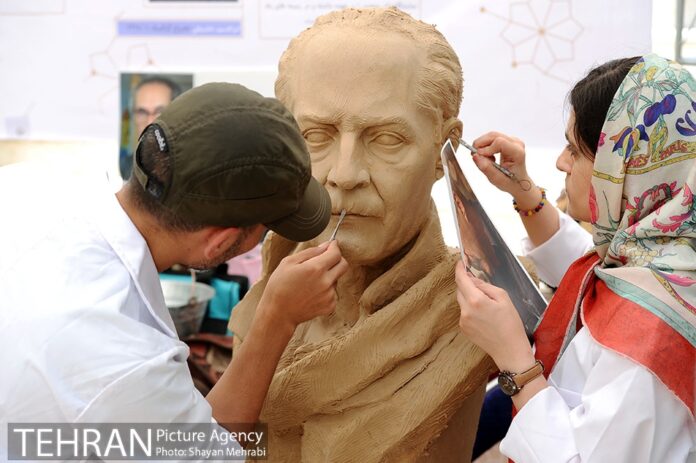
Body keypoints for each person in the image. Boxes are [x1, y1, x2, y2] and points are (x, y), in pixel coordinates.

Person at [0, 83, 349, 450]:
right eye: (265, 230)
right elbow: (214, 451)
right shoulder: (125, 362)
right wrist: (276, 318)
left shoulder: (26, 182)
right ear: (219, 241)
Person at [229, 7, 493, 462]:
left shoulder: (477, 309)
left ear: (442, 149)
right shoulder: (276, 274)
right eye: (317, 135)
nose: (345, 174)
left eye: (386, 139)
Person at [457, 54, 696, 461]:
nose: (561, 162)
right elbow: (586, 270)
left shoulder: (650, 338)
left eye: (575, 150)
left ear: (621, 168)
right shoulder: (664, 255)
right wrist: (523, 191)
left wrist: (514, 357)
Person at [120, 76, 182, 179]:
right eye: (142, 112)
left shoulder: (196, 169)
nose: (149, 122)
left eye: (159, 112)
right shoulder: (123, 168)